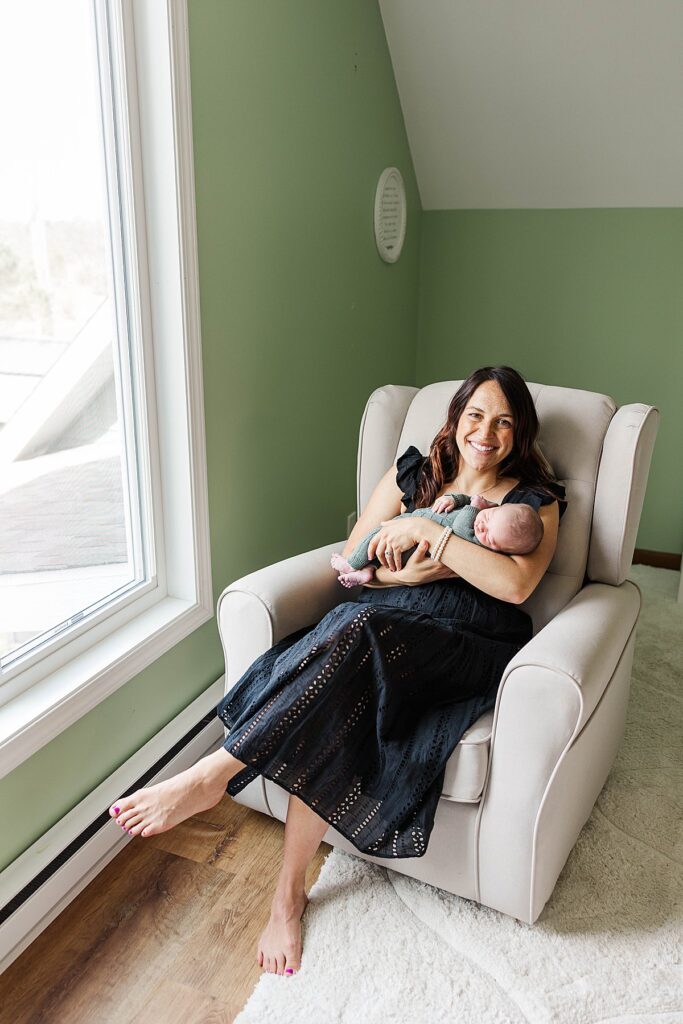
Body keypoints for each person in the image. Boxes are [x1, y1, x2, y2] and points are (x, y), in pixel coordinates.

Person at [107, 365, 567, 979]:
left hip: (465, 639)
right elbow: (355, 558)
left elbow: (513, 586)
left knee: (354, 632)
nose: (488, 432)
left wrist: (427, 529)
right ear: (455, 420)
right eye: (477, 415)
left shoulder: (533, 500)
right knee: (342, 680)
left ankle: (214, 774)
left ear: (521, 433)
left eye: (505, 421)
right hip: (383, 616)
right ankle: (287, 894)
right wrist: (410, 569)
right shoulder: (414, 473)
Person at [330, 491, 544, 587]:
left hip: (417, 550)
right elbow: (465, 498)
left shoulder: (479, 530)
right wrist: (453, 498)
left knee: (376, 536)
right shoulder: (491, 508)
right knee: (378, 538)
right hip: (395, 560)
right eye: (488, 518)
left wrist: (421, 527)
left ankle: (352, 564)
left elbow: (461, 530)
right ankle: (367, 571)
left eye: (489, 536)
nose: (481, 526)